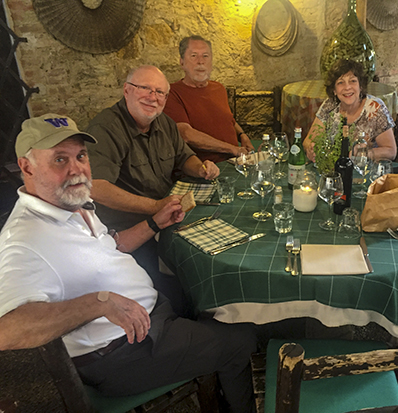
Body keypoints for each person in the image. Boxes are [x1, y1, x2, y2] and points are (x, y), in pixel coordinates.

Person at [0, 114, 256, 412]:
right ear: (26, 166)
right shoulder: (23, 240)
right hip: (123, 354)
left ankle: (218, 378)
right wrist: (100, 303)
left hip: (149, 319)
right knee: (243, 340)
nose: (76, 169)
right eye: (59, 159)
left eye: (81, 155)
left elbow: (113, 244)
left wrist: (155, 222)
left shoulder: (70, 204)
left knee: (209, 298)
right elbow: (8, 331)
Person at [86, 65, 220, 313]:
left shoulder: (164, 123)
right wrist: (155, 207)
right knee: (173, 291)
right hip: (130, 234)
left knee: (213, 243)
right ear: (127, 90)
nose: (153, 97)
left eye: (160, 92)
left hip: (166, 218)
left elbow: (184, 157)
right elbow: (96, 188)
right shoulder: (107, 128)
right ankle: (184, 322)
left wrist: (201, 168)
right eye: (145, 88)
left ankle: (208, 307)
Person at [163, 35, 255, 163]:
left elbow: (228, 119)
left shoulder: (219, 88)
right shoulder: (172, 93)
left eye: (205, 56)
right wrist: (232, 149)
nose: (200, 61)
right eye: (194, 56)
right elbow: (186, 134)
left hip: (235, 161)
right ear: (182, 62)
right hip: (204, 168)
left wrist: (242, 135)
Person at [303, 59, 397, 162]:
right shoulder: (330, 105)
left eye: (353, 81)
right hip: (334, 169)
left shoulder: (374, 108)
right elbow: (308, 140)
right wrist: (311, 148)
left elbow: (391, 151)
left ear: (360, 86)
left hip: (364, 171)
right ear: (334, 90)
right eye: (340, 83)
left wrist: (363, 153)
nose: (347, 87)